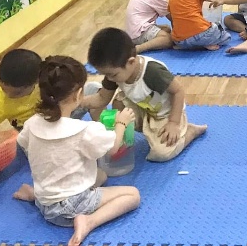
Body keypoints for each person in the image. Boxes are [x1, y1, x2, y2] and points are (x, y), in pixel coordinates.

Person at [13, 55, 140, 246]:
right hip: (72, 207)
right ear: (79, 94)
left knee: (101, 175)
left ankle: (34, 196)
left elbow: (23, 145)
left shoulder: (32, 123)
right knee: (133, 195)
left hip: (46, 203)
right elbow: (113, 149)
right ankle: (89, 221)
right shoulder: (83, 130)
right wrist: (121, 123)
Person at [83, 27, 207, 162]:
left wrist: (174, 123)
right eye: (105, 74)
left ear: (131, 62)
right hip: (142, 108)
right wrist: (77, 102)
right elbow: (102, 98)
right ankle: (124, 138)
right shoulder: (115, 72)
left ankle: (189, 131)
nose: (109, 78)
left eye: (112, 75)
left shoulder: (152, 71)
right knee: (118, 102)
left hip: (165, 115)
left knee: (161, 154)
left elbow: (178, 91)